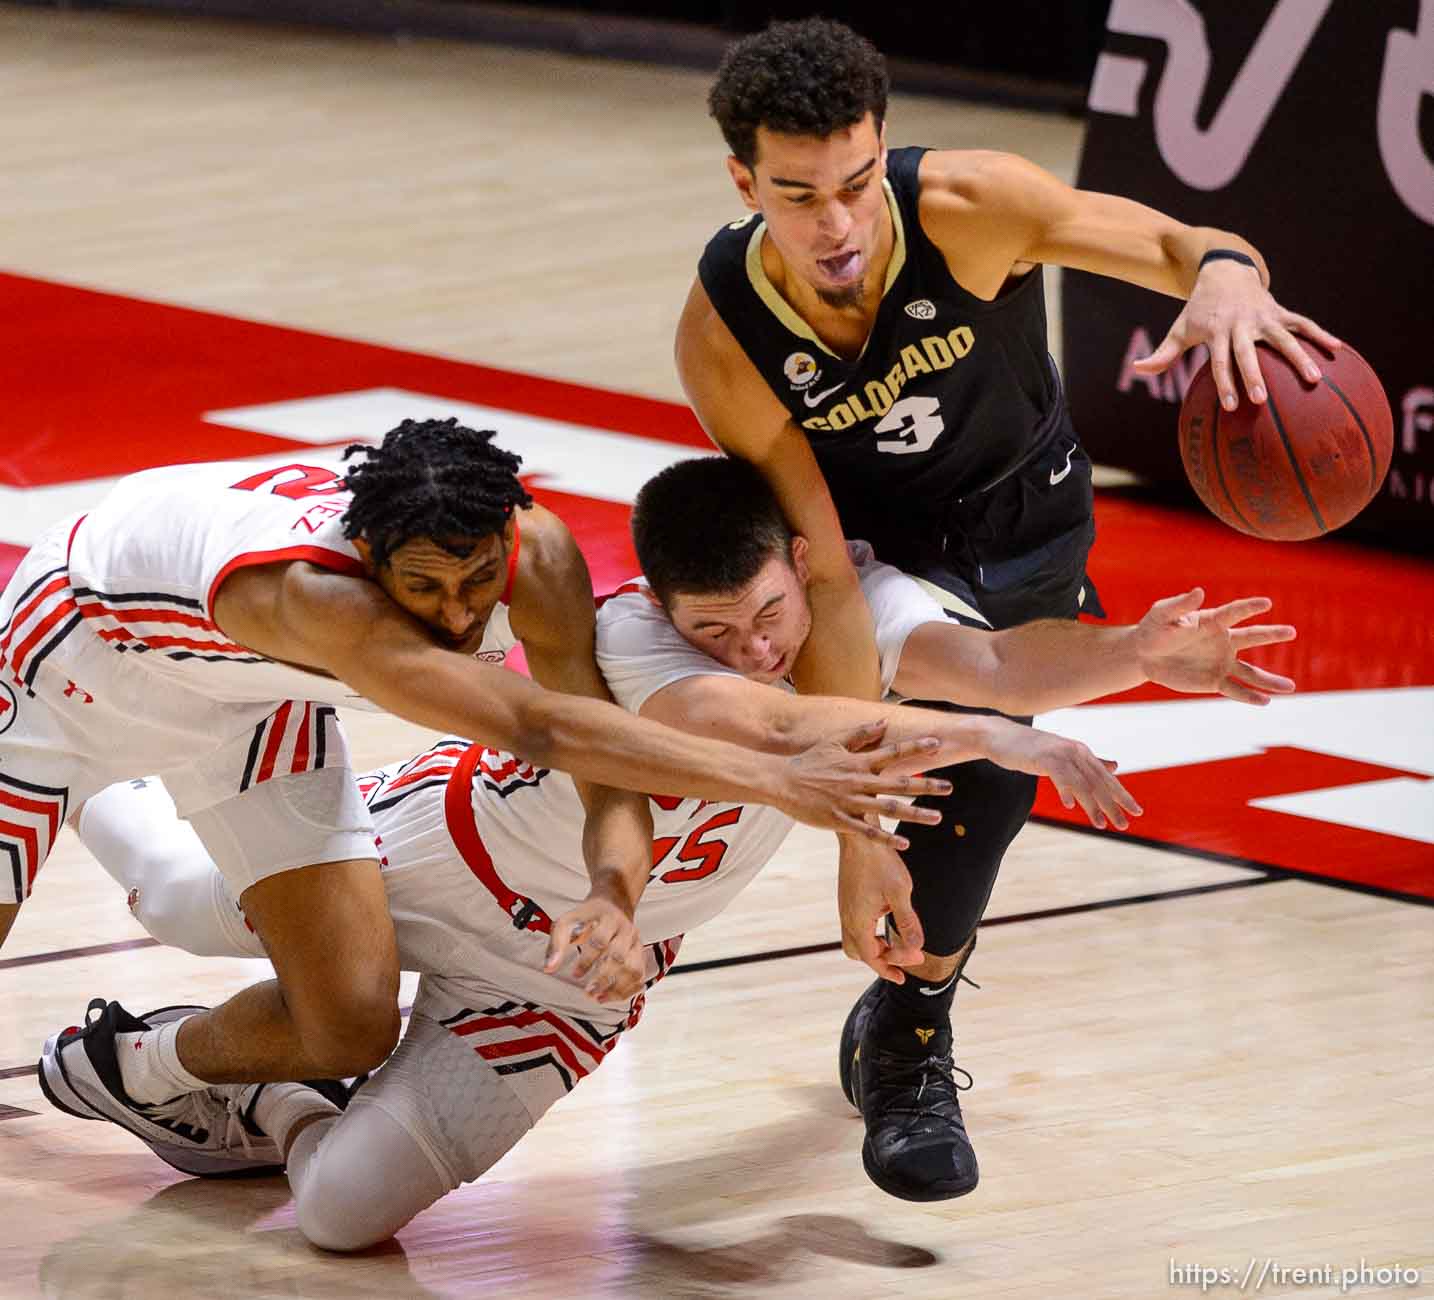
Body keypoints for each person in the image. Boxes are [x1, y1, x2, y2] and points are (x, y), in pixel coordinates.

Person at [45, 456, 1294, 1244]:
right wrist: (1004, 746)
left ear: (805, 571)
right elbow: (772, 725)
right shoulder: (633, 642)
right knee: (173, 896)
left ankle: (273, 1095)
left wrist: (1134, 654)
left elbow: (1002, 660)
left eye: (767, 615)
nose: (750, 644)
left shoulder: (860, 607)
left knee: (337, 1216)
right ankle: (72, 730)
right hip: (446, 846)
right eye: (717, 627)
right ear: (658, 607)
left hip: (566, 981)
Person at [675, 17, 1329, 1199]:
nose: (837, 224)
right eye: (798, 194)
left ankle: (900, 1007)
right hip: (878, 556)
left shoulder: (974, 204)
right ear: (741, 180)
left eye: (859, 182)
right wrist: (853, 835)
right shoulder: (725, 334)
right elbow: (820, 569)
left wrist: (1228, 283)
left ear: (885, 151)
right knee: (967, 765)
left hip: (1034, 520)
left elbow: (1193, 242)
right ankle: (914, 1043)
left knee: (990, 800)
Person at [4, 417, 948, 1167]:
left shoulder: (537, 555)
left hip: (256, 694)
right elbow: (541, 729)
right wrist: (780, 780)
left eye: (476, 581)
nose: (459, 616)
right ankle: (86, 785)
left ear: (508, 535)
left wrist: (612, 892)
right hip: (72, 661)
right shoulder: (314, 598)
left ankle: (128, 1067)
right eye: (425, 589)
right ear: (368, 553)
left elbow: (600, 762)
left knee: (347, 1027)